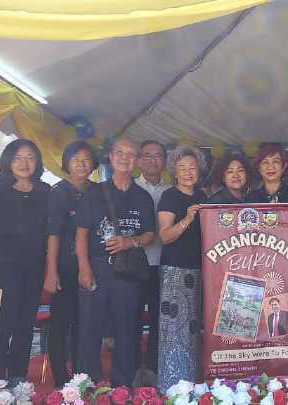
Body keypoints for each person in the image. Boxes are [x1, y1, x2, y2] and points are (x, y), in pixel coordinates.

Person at [75, 138, 155, 387]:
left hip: (127, 271)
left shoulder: (143, 197)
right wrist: (84, 268)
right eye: (119, 153)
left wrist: (130, 242)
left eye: (131, 154)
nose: (124, 157)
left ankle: (123, 387)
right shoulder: (95, 193)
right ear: (110, 157)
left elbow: (150, 234)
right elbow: (81, 234)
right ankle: (89, 384)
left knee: (127, 330)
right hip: (97, 267)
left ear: (137, 160)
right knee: (90, 328)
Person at [0, 139, 50, 381]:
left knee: (26, 325)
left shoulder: (44, 191)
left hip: (34, 267)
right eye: (18, 158)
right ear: (8, 161)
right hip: (3, 266)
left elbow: (51, 234)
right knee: (1, 325)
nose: (24, 163)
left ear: (37, 162)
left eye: (29, 157)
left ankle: (18, 379)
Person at [44, 140, 98, 387]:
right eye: (76, 159)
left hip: (92, 266)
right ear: (66, 163)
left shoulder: (98, 191)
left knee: (84, 321)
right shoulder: (58, 192)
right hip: (64, 266)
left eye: (87, 159)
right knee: (60, 322)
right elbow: (53, 234)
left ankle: (80, 373)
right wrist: (52, 270)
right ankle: (59, 376)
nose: (82, 164)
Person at [156, 145, 208, 389]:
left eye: (193, 168)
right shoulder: (169, 196)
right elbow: (164, 236)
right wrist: (187, 218)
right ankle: (171, 383)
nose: (188, 172)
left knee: (193, 327)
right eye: (182, 168)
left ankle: (191, 381)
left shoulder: (203, 196)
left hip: (200, 270)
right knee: (173, 328)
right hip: (175, 272)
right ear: (174, 172)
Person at [134, 140, 172, 378]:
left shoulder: (171, 191)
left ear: (165, 161)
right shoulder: (131, 188)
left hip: (163, 263)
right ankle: (133, 366)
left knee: (160, 318)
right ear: (138, 160)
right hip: (136, 264)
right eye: (147, 155)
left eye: (157, 156)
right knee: (132, 317)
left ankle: (153, 367)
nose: (152, 160)